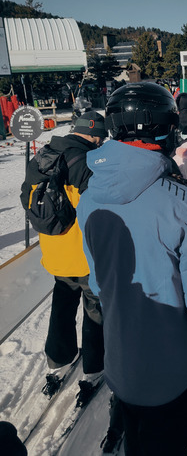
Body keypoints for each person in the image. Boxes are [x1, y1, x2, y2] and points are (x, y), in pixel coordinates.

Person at [76, 83, 187, 456]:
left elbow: (97, 281)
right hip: (171, 372)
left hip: (121, 359)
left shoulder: (90, 197)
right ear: (166, 127)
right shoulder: (185, 203)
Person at [20, 111, 106, 405]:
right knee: (95, 313)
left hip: (55, 252)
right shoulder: (85, 161)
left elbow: (26, 199)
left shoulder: (44, 154)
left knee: (62, 306)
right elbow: (97, 207)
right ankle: (94, 369)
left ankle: (58, 359)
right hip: (84, 255)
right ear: (94, 135)